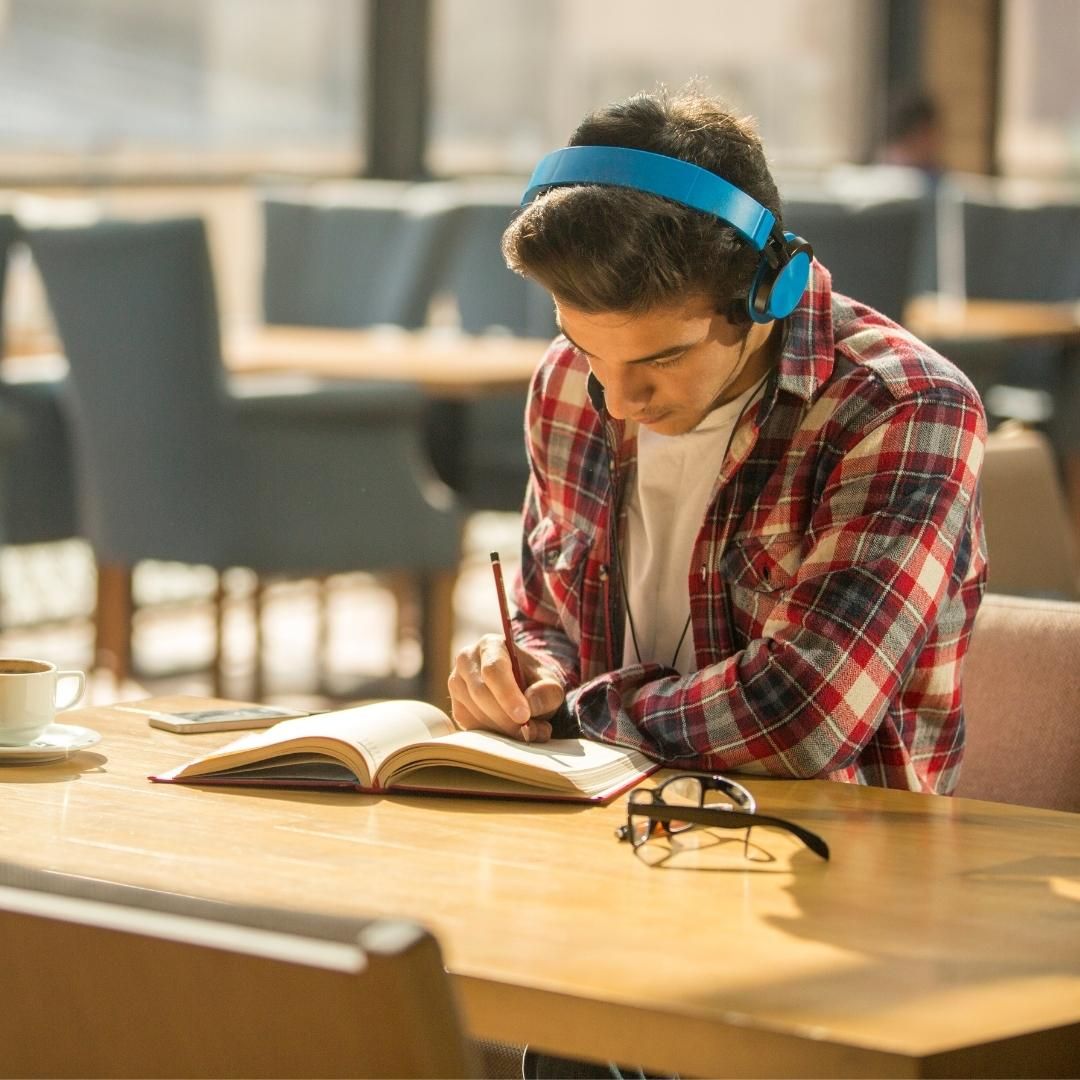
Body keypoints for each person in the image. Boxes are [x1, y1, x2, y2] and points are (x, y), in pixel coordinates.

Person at [448, 87, 987, 797]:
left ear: (771, 292)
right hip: (604, 834)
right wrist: (527, 675)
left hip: (836, 859)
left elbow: (803, 717)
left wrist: (578, 714)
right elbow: (548, 620)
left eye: (662, 358)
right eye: (586, 347)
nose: (616, 397)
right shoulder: (565, 382)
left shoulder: (903, 410)